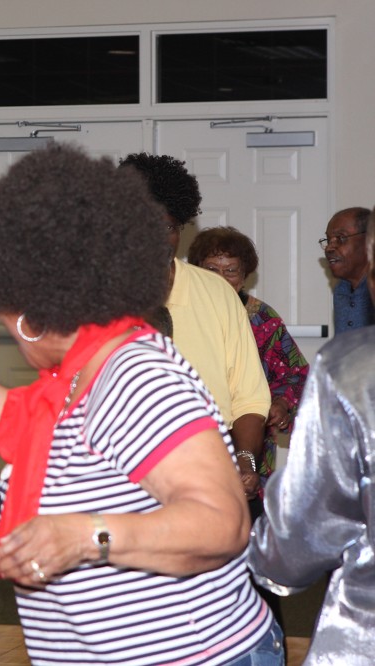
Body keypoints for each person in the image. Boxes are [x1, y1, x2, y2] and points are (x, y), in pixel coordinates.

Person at [0, 145, 281, 665]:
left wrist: (84, 534)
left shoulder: (135, 372)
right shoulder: (80, 368)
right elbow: (37, 425)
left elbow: (222, 523)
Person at [248, 208, 375, 665]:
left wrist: (263, 556)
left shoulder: (349, 364)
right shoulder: (347, 293)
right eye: (328, 240)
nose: (331, 250)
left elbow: (311, 516)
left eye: (341, 239)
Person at [120, 153, 271, 508]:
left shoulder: (216, 292)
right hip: (122, 473)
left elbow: (249, 396)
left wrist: (244, 461)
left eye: (170, 227)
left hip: (207, 471)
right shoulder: (98, 295)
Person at [188, 226, 310, 492]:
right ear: (194, 272)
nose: (220, 279)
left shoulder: (262, 318)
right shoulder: (180, 313)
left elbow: (297, 373)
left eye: (230, 271)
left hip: (251, 447)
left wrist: (281, 402)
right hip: (190, 442)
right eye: (211, 270)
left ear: (244, 277)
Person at [322, 207, 373, 333]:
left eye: (341, 238)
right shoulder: (341, 289)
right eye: (328, 240)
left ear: (369, 240)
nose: (329, 248)